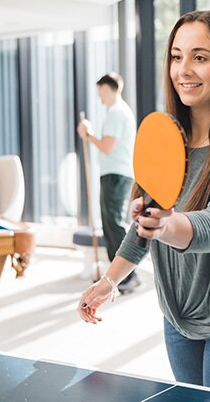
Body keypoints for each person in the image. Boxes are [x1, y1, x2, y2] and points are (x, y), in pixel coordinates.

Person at [77, 10, 210, 398]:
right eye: (176, 56)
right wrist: (109, 281)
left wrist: (167, 225)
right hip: (179, 314)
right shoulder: (169, 140)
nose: (183, 70)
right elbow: (146, 224)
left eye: (200, 57)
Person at [76, 73, 139, 292]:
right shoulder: (122, 112)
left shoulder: (115, 112)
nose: (100, 98)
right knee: (111, 222)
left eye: (100, 92)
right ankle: (120, 276)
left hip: (116, 173)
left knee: (113, 223)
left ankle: (127, 276)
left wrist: (88, 135)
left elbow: (107, 146)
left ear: (106, 89)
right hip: (117, 172)